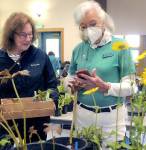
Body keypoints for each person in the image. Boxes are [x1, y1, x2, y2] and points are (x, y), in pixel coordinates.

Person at [67, 1, 137, 148]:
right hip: (82, 116)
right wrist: (71, 85)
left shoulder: (121, 46)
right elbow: (69, 77)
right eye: (83, 27)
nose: (88, 30)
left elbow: (132, 87)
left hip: (111, 119)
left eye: (93, 24)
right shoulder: (78, 49)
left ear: (103, 22)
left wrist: (105, 86)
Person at [0, 12, 58, 142]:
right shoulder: (1, 58)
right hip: (8, 125)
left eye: (30, 34)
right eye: (23, 35)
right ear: (11, 35)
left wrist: (53, 101)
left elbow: (52, 84)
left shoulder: (40, 56)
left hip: (36, 123)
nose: (28, 39)